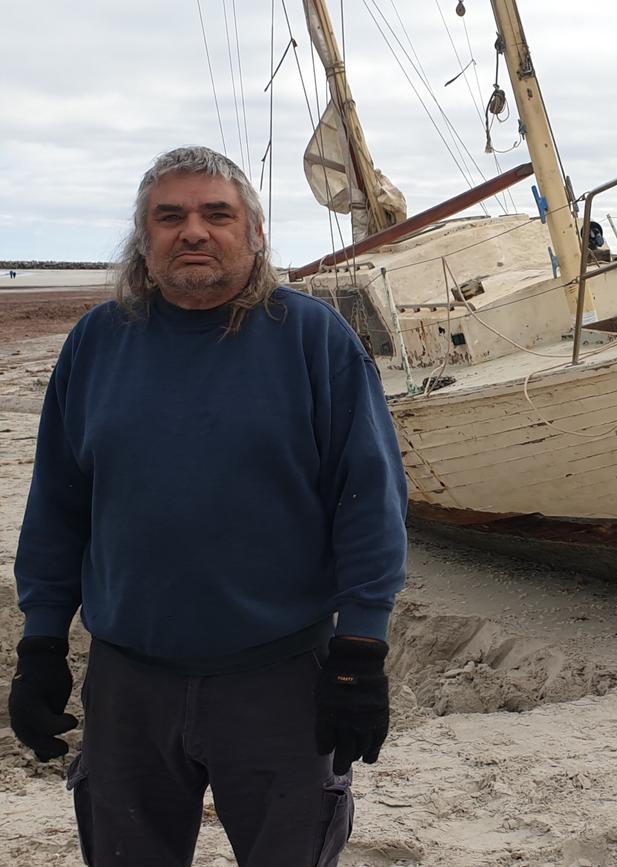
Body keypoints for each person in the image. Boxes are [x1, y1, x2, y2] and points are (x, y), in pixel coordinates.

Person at [8, 146, 408, 867]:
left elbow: (369, 502)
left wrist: (362, 648)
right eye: (170, 216)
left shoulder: (316, 342)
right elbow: (58, 507)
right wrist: (40, 642)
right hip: (129, 682)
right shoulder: (97, 344)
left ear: (254, 234)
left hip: (281, 677)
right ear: (145, 239)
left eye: (216, 214)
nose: (193, 231)